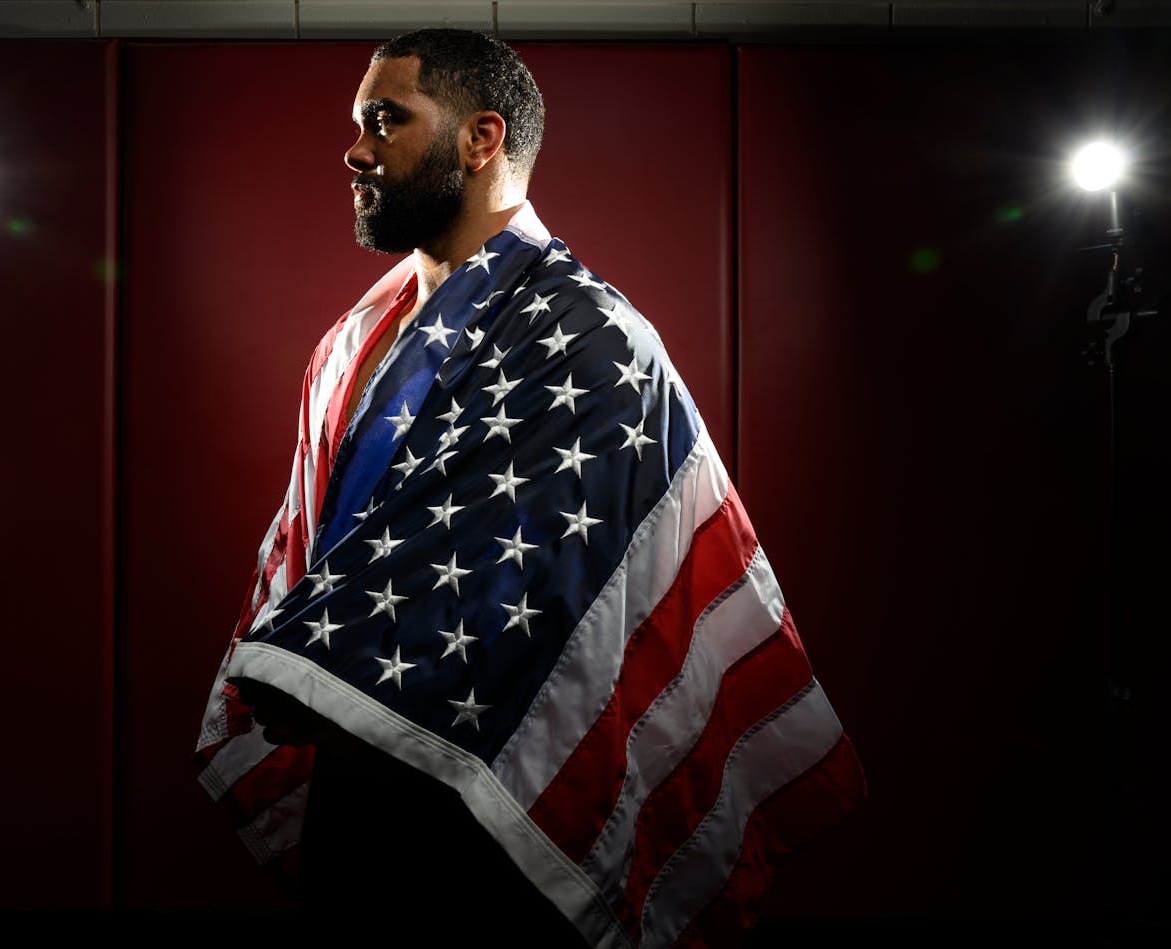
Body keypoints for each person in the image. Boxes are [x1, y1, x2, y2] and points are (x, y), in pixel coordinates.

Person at [196, 29, 865, 948]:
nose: (356, 149)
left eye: (387, 120)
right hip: (354, 771)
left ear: (481, 140)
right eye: (358, 122)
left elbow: (545, 587)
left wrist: (307, 660)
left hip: (499, 796)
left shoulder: (596, 335)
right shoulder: (353, 343)